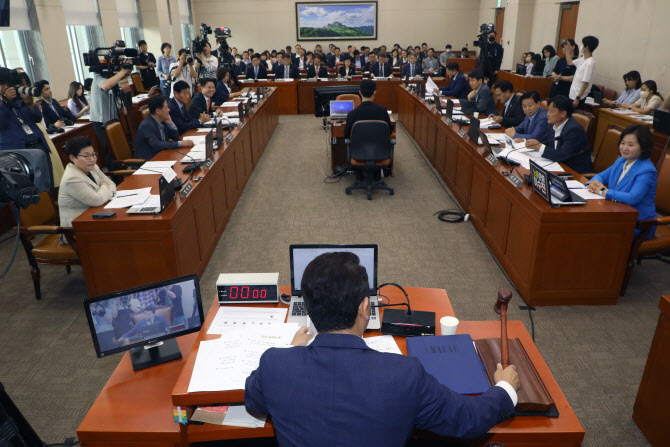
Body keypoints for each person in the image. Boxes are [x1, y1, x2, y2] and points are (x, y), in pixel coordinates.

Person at [245, 251, 519, 447]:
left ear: (308, 309)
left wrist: (293, 351)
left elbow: (254, 401)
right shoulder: (404, 373)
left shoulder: (275, 364)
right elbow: (467, 420)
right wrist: (505, 388)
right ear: (365, 308)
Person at [586, 125, 657, 238]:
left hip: (638, 224)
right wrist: (594, 184)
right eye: (623, 143)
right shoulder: (621, 161)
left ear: (643, 147)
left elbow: (632, 198)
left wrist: (603, 191)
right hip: (616, 213)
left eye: (631, 145)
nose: (624, 148)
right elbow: (601, 176)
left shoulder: (647, 170)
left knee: (592, 229)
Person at [58, 136, 116, 229]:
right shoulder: (72, 178)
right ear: (73, 158)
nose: (92, 159)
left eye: (93, 154)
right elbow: (97, 200)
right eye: (86, 156)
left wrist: (104, 192)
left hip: (97, 215)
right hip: (77, 228)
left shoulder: (93, 167)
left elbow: (112, 184)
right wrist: (104, 187)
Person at [525, 95, 592, 174]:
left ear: (563, 114)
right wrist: (526, 141)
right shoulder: (553, 124)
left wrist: (539, 146)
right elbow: (544, 141)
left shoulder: (574, 130)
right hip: (557, 166)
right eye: (548, 110)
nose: (548, 114)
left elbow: (563, 155)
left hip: (574, 172)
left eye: (551, 111)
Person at [89, 64, 132, 166]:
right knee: (110, 151)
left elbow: (122, 79)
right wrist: (122, 71)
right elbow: (106, 86)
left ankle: (122, 169)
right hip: (101, 120)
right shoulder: (97, 76)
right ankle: (115, 177)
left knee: (119, 148)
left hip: (113, 118)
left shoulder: (111, 77)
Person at [134, 95, 194, 160]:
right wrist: (180, 144)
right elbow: (157, 145)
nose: (169, 110)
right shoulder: (146, 126)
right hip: (148, 162)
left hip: (162, 156)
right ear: (158, 111)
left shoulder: (162, 121)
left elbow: (176, 137)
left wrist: (170, 123)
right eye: (166, 107)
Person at [566, 35, 598, 108]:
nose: (581, 46)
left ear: (587, 47)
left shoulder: (590, 62)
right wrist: (567, 50)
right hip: (572, 94)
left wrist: (578, 98)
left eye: (583, 44)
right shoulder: (583, 59)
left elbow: (585, 83)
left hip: (578, 97)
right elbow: (570, 62)